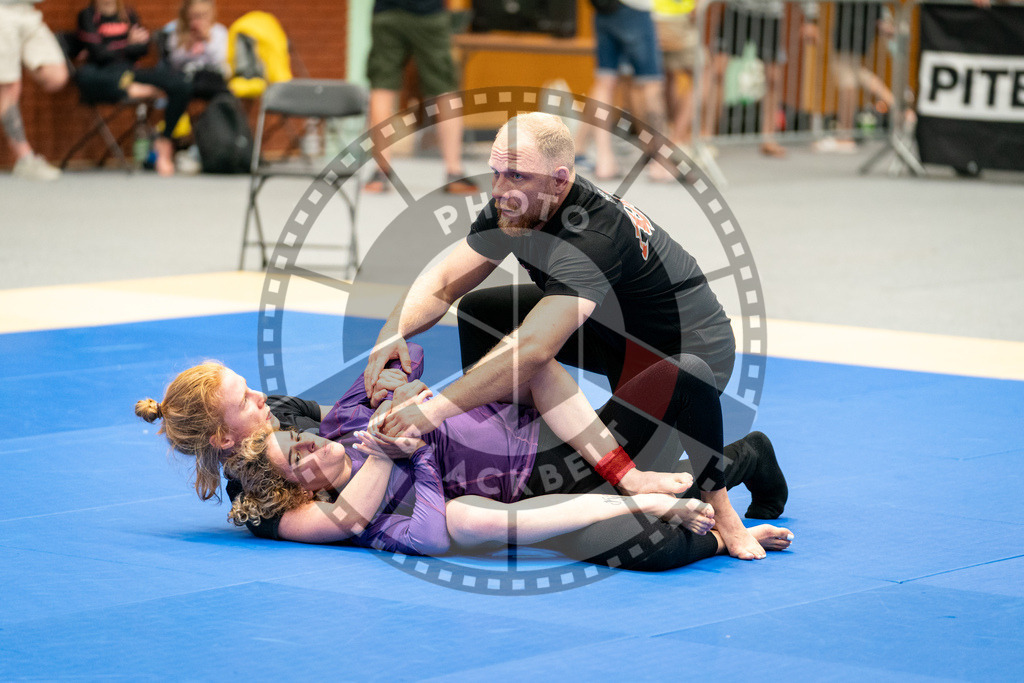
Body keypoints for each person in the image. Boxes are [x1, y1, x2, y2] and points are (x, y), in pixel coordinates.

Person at [364, 112, 786, 561]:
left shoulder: (594, 238)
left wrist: (431, 413)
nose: (500, 190)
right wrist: (392, 332)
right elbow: (446, 282)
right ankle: (515, 447)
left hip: (689, 353)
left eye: (516, 176)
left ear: (558, 180)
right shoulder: (516, 204)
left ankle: (745, 462)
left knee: (641, 475)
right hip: (617, 333)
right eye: (495, 173)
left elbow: (534, 350)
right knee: (483, 311)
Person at [137, 343, 791, 569]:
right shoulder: (261, 503)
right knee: (654, 546)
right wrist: (396, 453)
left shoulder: (290, 419)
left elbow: (379, 387)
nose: (263, 395)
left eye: (249, 385)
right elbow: (353, 518)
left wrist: (391, 392)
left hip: (529, 440)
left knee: (678, 381)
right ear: (225, 439)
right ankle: (741, 459)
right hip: (499, 489)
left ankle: (721, 473)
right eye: (245, 398)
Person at [363, 0, 477, 195]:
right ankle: (454, 172)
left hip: (387, 13)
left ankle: (380, 173)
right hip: (429, 14)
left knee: (382, 88)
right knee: (444, 89)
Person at [75, 0, 191, 176]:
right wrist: (128, 43)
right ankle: (128, 88)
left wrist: (114, 48)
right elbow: (98, 55)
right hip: (102, 74)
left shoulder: (128, 15)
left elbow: (142, 48)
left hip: (130, 72)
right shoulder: (88, 16)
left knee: (181, 84)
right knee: (83, 77)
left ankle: (165, 139)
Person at [574, 0, 672, 181]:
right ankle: (660, 163)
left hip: (604, 9)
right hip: (636, 10)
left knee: (605, 81)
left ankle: (604, 161)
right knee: (651, 85)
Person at [708, 0, 818, 157]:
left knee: (774, 77)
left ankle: (769, 137)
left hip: (770, 15)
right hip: (737, 9)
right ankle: (707, 135)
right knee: (717, 71)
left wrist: (810, 18)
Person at [0, 0, 68, 180]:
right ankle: (25, 158)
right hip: (3, 12)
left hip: (29, 12)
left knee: (55, 76)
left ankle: (14, 63)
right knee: (9, 88)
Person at [163, 0, 229, 100]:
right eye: (194, 16)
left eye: (203, 15)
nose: (198, 21)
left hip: (212, 80)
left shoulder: (218, 32)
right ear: (186, 15)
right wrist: (187, 46)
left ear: (211, 14)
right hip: (185, 81)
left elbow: (221, 61)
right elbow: (173, 63)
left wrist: (207, 40)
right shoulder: (179, 32)